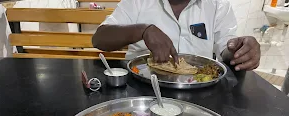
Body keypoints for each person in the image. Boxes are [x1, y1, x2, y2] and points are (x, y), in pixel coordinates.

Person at [92, 0, 261, 71]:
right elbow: (99, 38)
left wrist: (240, 51)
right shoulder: (138, 2)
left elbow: (226, 49)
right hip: (142, 91)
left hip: (199, 92)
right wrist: (143, 30)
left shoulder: (217, 4)